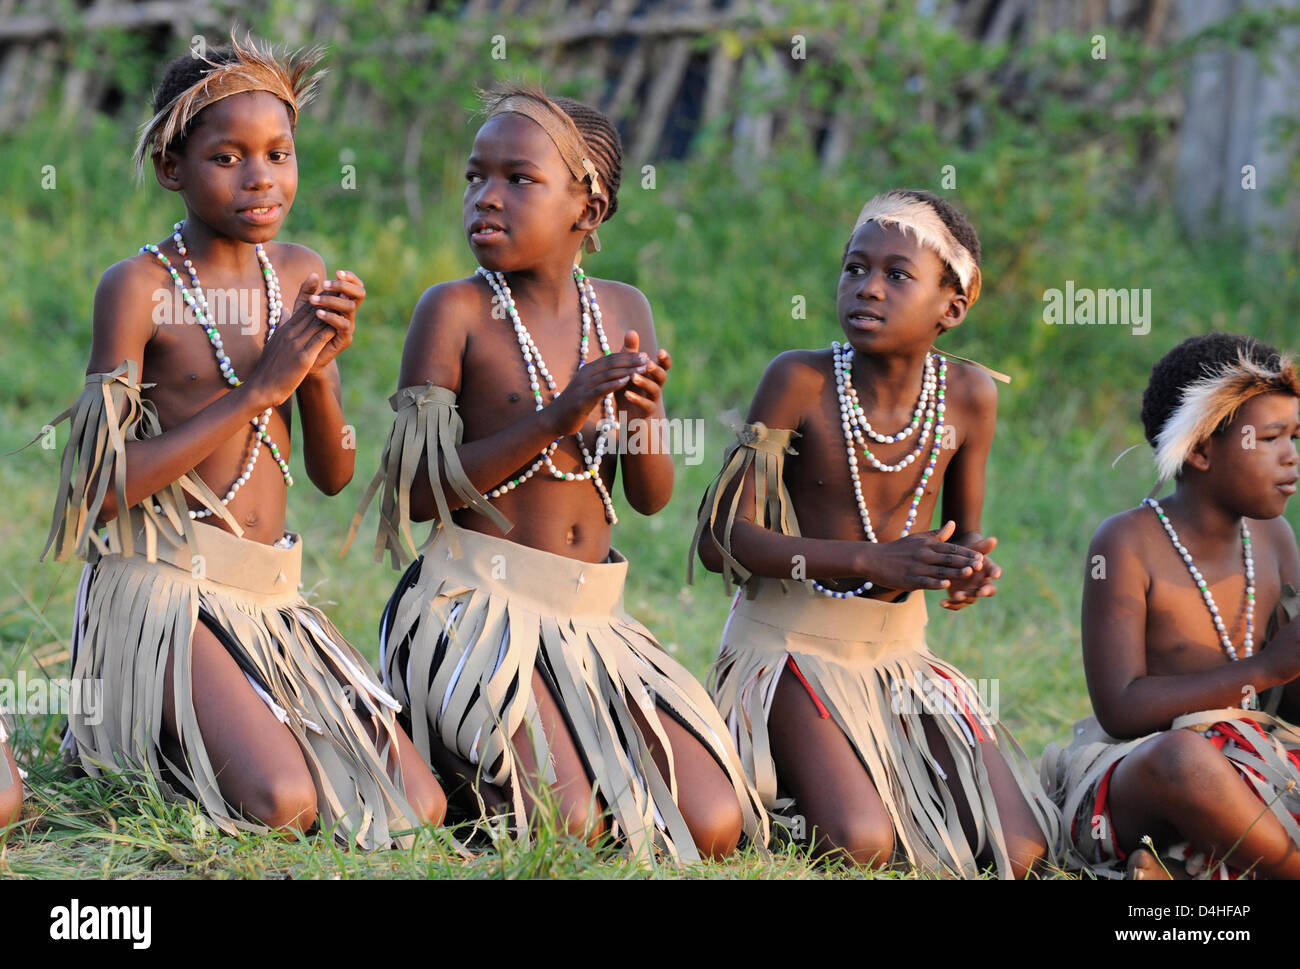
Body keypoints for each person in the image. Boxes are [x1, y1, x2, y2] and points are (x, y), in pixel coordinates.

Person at [40, 34, 444, 847]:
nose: (261, 177)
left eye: (279, 153)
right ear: (171, 168)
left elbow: (334, 475)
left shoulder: (297, 270)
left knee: (416, 800)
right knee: (285, 802)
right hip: (160, 591)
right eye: (228, 156)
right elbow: (97, 487)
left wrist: (319, 369)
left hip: (269, 598)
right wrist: (258, 388)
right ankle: (150, 731)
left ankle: (215, 722)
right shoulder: (139, 287)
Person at [347, 84, 765, 863]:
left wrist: (643, 416)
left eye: (518, 179)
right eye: (476, 177)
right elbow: (415, 491)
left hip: (591, 621)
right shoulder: (455, 312)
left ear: (589, 206)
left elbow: (650, 496)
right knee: (570, 824)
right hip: (477, 607)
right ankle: (450, 737)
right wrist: (553, 419)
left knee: (711, 821)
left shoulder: (623, 308)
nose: (486, 199)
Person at [693, 189, 1059, 877]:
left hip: (900, 658)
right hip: (788, 650)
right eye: (854, 268)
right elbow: (721, 537)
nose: (868, 287)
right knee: (863, 842)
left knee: (1019, 847)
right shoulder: (799, 380)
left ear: (950, 308)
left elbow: (963, 536)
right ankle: (793, 782)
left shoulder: (971, 395)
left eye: (897, 274)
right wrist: (871, 559)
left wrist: (967, 568)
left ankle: (856, 772)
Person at [1043, 332, 1300, 879]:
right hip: (1145, 772)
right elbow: (1120, 707)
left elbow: (1289, 704)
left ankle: (1181, 872)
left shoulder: (1275, 536)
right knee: (1184, 760)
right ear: (1202, 450)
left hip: (1262, 765)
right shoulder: (1125, 543)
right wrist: (1266, 667)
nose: (1292, 458)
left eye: (1296, 436)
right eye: (1273, 437)